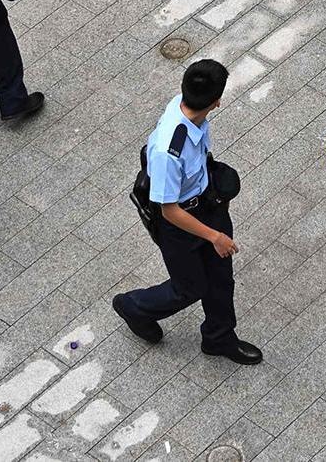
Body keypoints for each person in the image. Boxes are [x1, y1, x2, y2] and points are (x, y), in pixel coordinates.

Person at [111, 59, 262, 365]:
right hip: (180, 225)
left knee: (221, 278)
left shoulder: (188, 111)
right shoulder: (169, 151)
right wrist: (215, 236)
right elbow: (169, 211)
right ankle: (134, 306)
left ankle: (219, 338)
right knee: (189, 288)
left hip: (208, 206)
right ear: (217, 101)